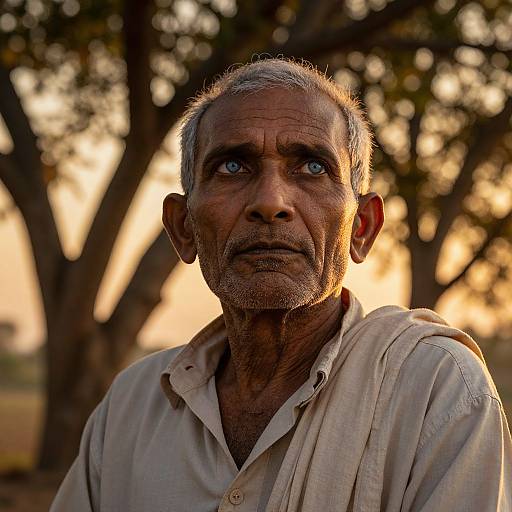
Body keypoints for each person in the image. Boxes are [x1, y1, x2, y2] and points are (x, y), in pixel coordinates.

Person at [50, 58, 512, 512]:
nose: (270, 203)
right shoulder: (131, 406)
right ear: (183, 227)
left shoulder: (436, 390)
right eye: (233, 167)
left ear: (362, 228)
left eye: (312, 167)